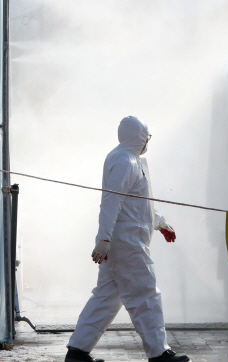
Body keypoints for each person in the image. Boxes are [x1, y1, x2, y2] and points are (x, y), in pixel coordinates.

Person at [65, 116, 189, 362]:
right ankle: (159, 354)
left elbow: (137, 205)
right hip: (127, 242)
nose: (148, 141)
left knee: (107, 297)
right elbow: (111, 202)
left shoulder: (130, 160)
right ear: (140, 136)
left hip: (123, 240)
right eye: (147, 136)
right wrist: (104, 239)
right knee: (145, 294)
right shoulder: (124, 161)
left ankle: (77, 352)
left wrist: (159, 222)